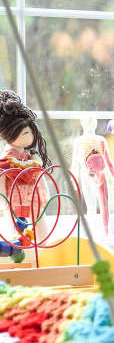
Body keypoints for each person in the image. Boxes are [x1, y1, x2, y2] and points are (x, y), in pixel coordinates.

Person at [0, 90, 50, 240]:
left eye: (29, 132)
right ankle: (22, 261)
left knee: (42, 236)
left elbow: (38, 174)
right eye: (24, 133)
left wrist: (45, 192)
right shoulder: (6, 160)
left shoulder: (31, 157)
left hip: (35, 199)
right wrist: (3, 200)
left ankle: (42, 255)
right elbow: (2, 179)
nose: (29, 136)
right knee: (19, 237)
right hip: (15, 202)